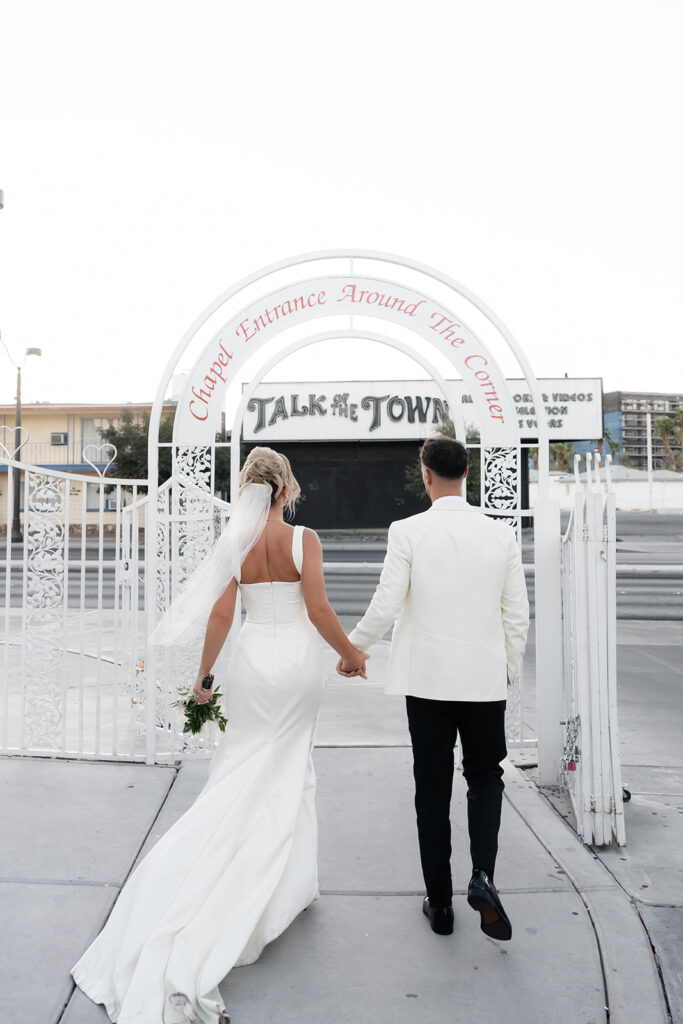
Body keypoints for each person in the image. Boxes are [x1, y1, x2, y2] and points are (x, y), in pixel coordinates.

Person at [71, 446, 368, 1024]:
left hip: (252, 664)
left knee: (245, 767)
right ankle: (280, 887)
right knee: (287, 770)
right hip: (298, 668)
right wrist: (351, 653)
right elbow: (319, 609)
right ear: (287, 491)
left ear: (250, 491)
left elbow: (220, 617)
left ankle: (242, 874)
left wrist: (204, 677)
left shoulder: (236, 545)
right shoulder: (304, 540)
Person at [338, 436, 529, 941]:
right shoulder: (500, 535)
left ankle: (440, 906)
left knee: (432, 789)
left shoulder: (407, 531)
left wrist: (353, 650)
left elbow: (385, 602)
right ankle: (483, 877)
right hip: (483, 682)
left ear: (425, 474)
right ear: (467, 472)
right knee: (485, 778)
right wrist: (505, 670)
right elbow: (516, 615)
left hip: (427, 682)